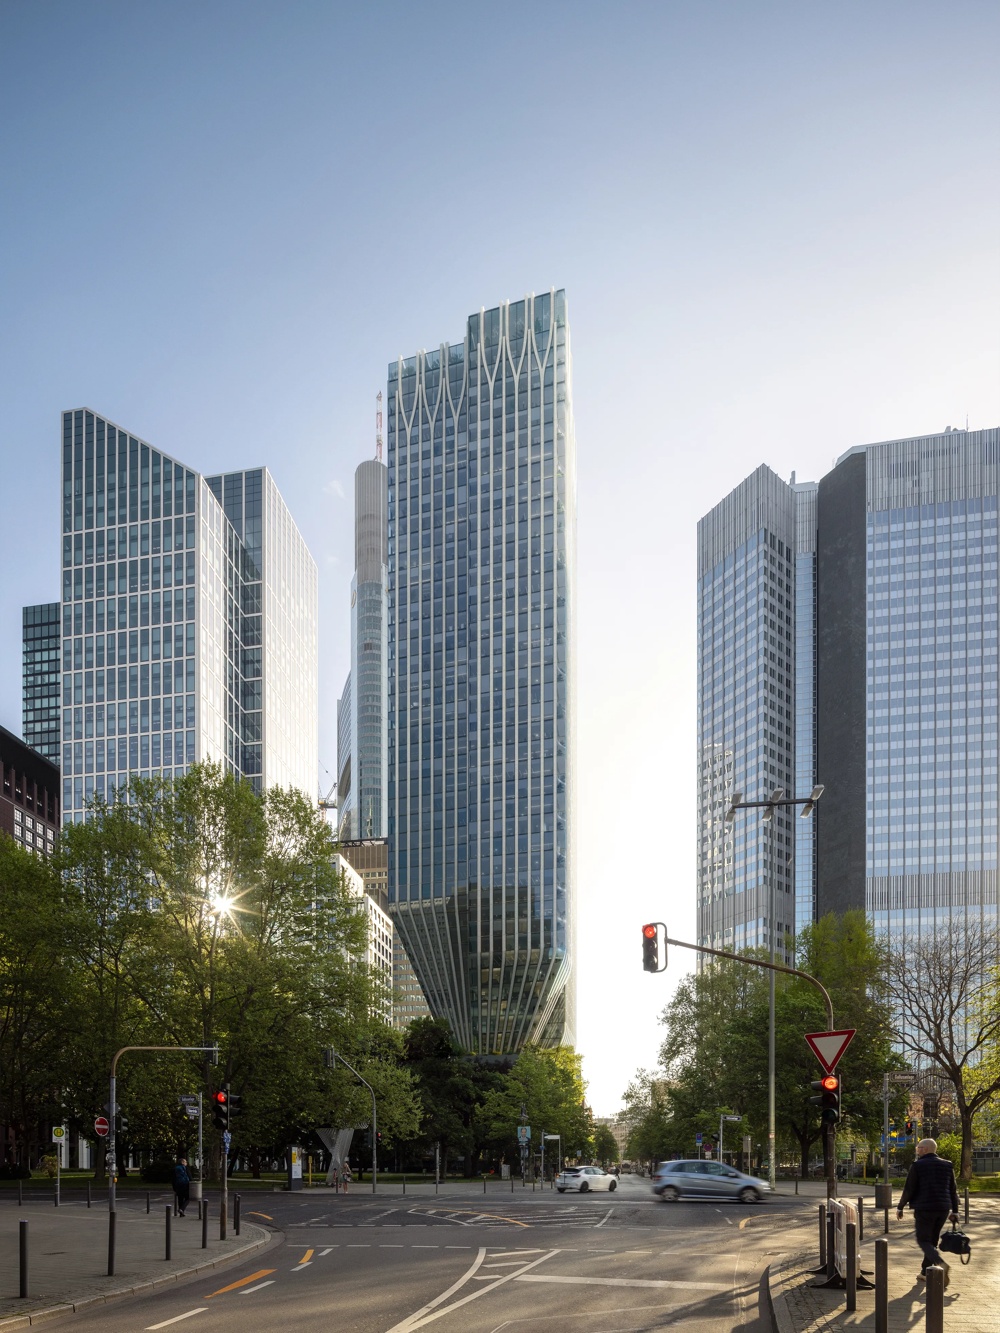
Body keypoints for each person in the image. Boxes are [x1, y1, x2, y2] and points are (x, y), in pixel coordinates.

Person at [896, 1138, 959, 1286]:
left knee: (923, 1240)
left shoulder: (918, 1165)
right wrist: (955, 1211)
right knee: (933, 1240)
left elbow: (909, 1188)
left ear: (925, 1149)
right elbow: (953, 1189)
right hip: (943, 1208)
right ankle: (925, 1272)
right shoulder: (947, 1165)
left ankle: (940, 1263)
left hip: (924, 1208)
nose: (917, 1150)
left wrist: (900, 1206)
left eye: (918, 1148)